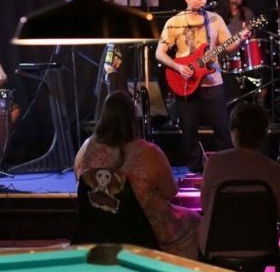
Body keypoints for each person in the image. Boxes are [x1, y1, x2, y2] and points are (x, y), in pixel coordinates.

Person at [74, 91, 201, 259]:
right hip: (144, 231)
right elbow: (170, 192)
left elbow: (80, 182)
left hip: (101, 227)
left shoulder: (86, 147)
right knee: (195, 219)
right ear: (132, 118)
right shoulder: (149, 152)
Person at [156, 0, 243, 172]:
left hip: (213, 83)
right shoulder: (175, 22)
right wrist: (178, 68)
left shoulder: (215, 19)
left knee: (222, 129)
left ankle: (228, 169)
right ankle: (195, 170)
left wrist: (240, 40)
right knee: (189, 131)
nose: (205, 0)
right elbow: (159, 53)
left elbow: (228, 48)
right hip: (185, 82)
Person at [199, 104, 280, 255]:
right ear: (263, 133)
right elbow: (279, 214)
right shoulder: (276, 170)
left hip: (216, 246)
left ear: (235, 132)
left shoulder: (214, 162)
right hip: (262, 247)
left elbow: (205, 206)